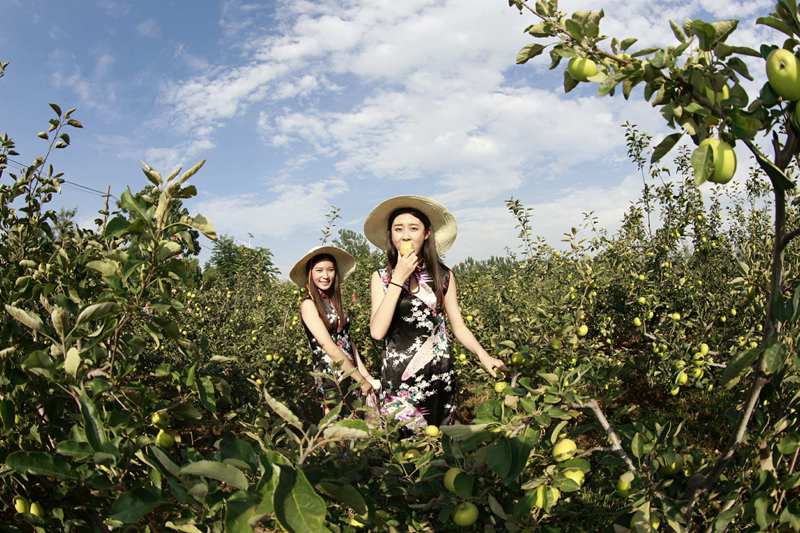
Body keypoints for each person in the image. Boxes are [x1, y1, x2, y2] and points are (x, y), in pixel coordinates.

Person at [364, 196, 505, 429]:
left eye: (413, 228)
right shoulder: (381, 278)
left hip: (439, 375)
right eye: (398, 229)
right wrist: (398, 279)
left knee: (440, 445)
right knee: (404, 450)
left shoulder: (444, 276)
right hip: (400, 380)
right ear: (391, 235)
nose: (406, 235)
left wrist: (484, 355)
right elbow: (377, 331)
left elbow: (458, 326)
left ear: (426, 234)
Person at [290, 246, 378, 414]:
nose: (325, 275)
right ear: (310, 273)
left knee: (358, 428)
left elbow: (348, 342)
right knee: (338, 430)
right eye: (319, 270)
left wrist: (364, 375)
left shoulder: (334, 303)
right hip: (331, 378)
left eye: (330, 270)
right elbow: (329, 347)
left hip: (349, 374)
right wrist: (360, 380)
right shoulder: (308, 305)